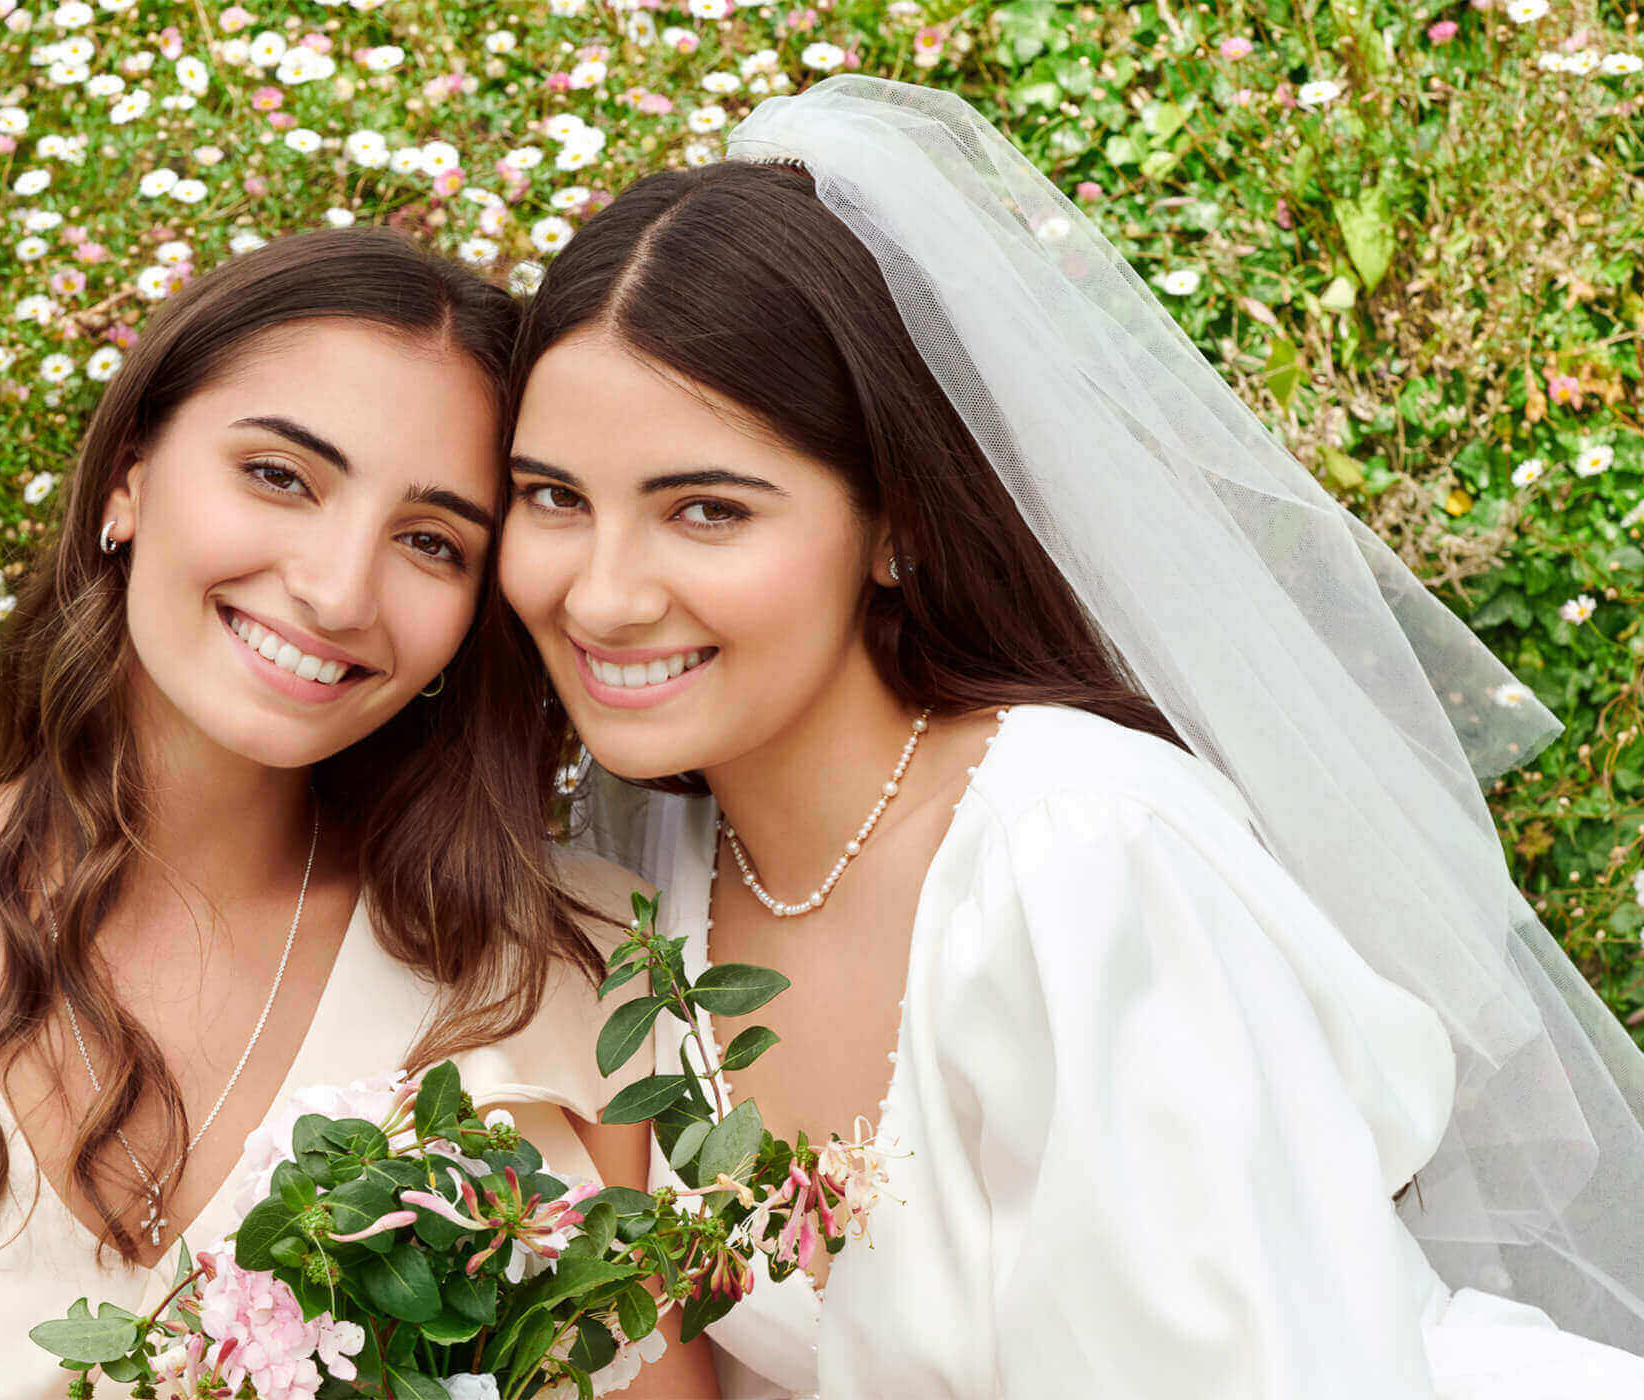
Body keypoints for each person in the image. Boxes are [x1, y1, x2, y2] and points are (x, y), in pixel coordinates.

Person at [497, 76, 1644, 1398]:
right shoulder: (662, 907)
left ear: (895, 525)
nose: (602, 593)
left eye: (707, 511)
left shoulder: (1077, 850)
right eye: (551, 499)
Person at [0, 229, 715, 1399]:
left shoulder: (573, 967)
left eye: (430, 540)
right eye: (279, 475)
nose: (336, 587)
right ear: (128, 478)